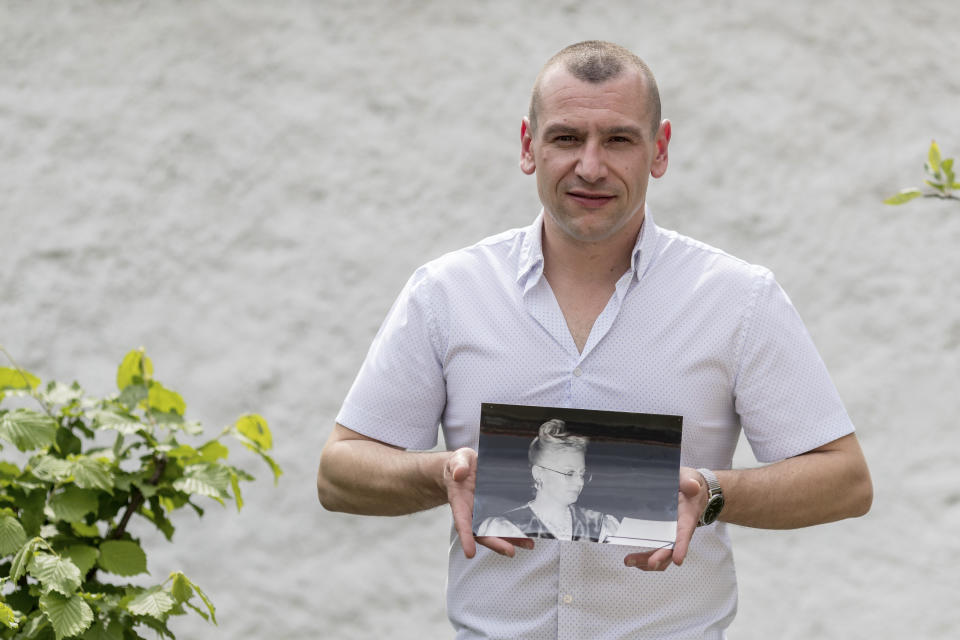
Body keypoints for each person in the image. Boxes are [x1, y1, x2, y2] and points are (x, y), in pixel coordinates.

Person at [317, 40, 872, 639]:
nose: (589, 166)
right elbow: (338, 472)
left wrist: (713, 493)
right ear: (528, 147)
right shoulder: (447, 293)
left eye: (618, 139)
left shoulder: (738, 299)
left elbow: (845, 480)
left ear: (658, 151)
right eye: (565, 138)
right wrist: (437, 476)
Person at [475, 419, 620, 542]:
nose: (580, 482)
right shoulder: (505, 528)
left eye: (582, 474)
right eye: (569, 473)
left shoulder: (600, 525)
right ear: (539, 474)